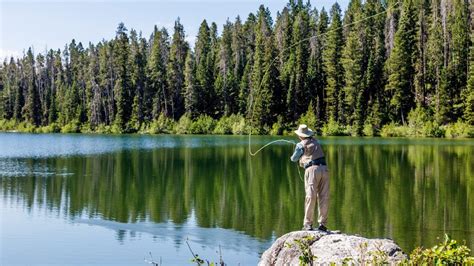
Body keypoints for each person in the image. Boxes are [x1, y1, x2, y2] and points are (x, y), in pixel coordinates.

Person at [290, 124, 330, 232]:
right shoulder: (316, 141)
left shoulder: (300, 144)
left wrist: (295, 156)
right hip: (324, 170)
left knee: (310, 196)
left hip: (312, 171)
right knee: (324, 197)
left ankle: (308, 224)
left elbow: (294, 159)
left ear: (300, 136)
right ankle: (322, 224)